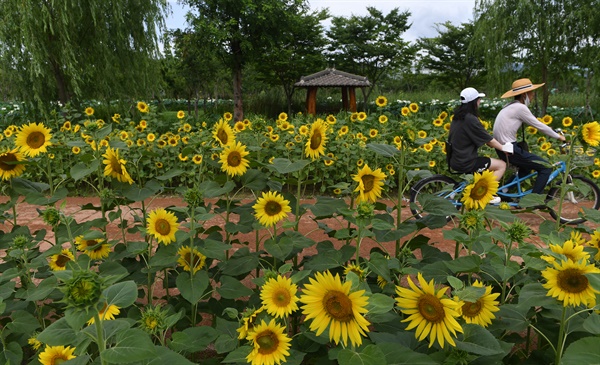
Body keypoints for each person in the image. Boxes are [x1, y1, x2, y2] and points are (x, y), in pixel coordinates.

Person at [492, 78, 566, 194]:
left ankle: (505, 192)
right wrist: (559, 137)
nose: (533, 95)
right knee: (546, 167)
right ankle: (534, 200)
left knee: (526, 169)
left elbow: (537, 123)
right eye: (531, 93)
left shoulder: (510, 106)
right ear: (524, 94)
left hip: (502, 148)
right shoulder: (520, 108)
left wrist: (551, 130)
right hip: (509, 149)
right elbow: (538, 125)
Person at [448, 87, 509, 204]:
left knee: (485, 164)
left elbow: (484, 138)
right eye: (479, 99)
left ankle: (461, 190)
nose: (480, 102)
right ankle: (485, 193)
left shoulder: (458, 117)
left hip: (456, 159)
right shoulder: (470, 119)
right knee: (501, 165)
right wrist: (504, 148)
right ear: (474, 102)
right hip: (466, 161)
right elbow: (489, 141)